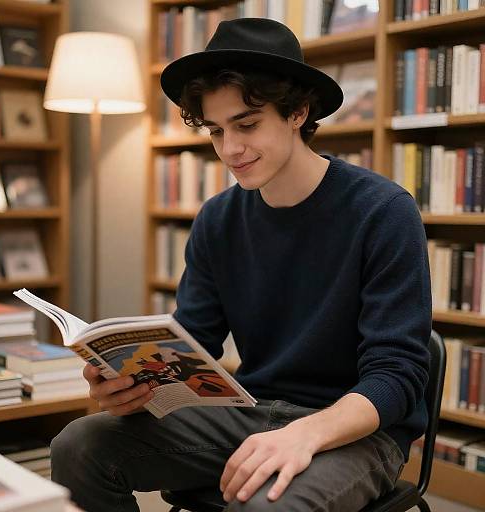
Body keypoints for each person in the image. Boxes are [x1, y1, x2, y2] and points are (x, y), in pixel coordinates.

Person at [50, 18, 431, 512]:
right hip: (249, 413)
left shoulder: (382, 212)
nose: (230, 149)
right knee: (77, 447)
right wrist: (132, 385)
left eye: (247, 124)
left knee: (267, 503)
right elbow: (193, 349)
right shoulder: (218, 219)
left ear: (298, 112)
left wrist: (305, 435)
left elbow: (397, 376)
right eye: (216, 130)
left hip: (354, 429)